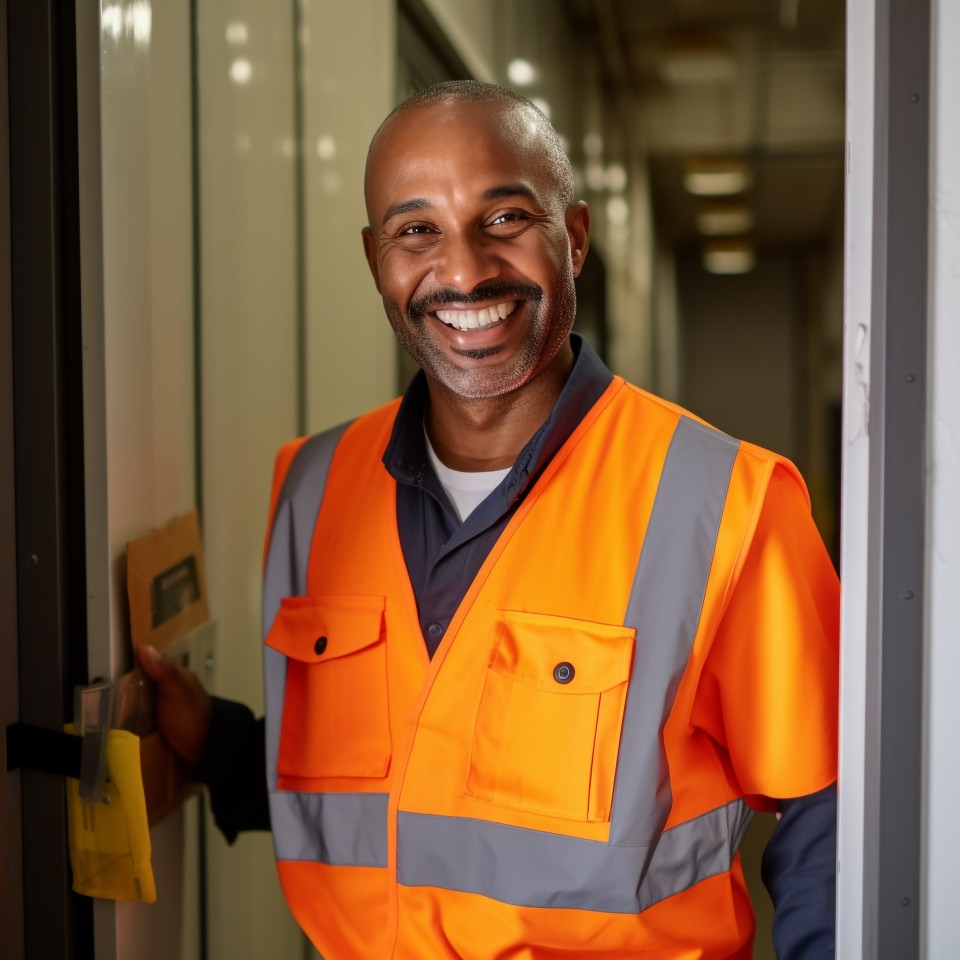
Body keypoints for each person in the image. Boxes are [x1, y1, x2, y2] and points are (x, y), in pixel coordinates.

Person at [139, 80, 839, 959]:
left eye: (504, 218)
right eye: (416, 230)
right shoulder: (314, 488)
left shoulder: (728, 501)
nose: (464, 271)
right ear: (375, 260)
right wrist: (223, 747)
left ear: (573, 239)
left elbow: (834, 809)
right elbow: (410, 760)